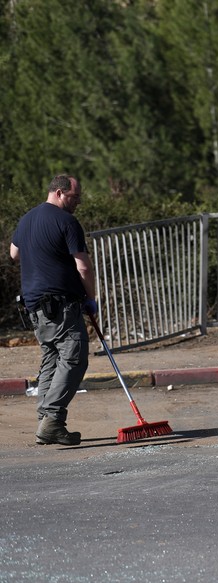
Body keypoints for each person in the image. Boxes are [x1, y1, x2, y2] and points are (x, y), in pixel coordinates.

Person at [10, 174, 98, 446]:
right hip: (59, 304)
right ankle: (52, 419)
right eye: (75, 197)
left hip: (35, 304)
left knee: (51, 359)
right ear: (60, 193)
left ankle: (44, 422)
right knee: (74, 359)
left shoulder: (27, 219)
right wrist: (91, 298)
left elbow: (14, 253)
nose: (78, 202)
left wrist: (41, 257)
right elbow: (82, 265)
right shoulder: (66, 221)